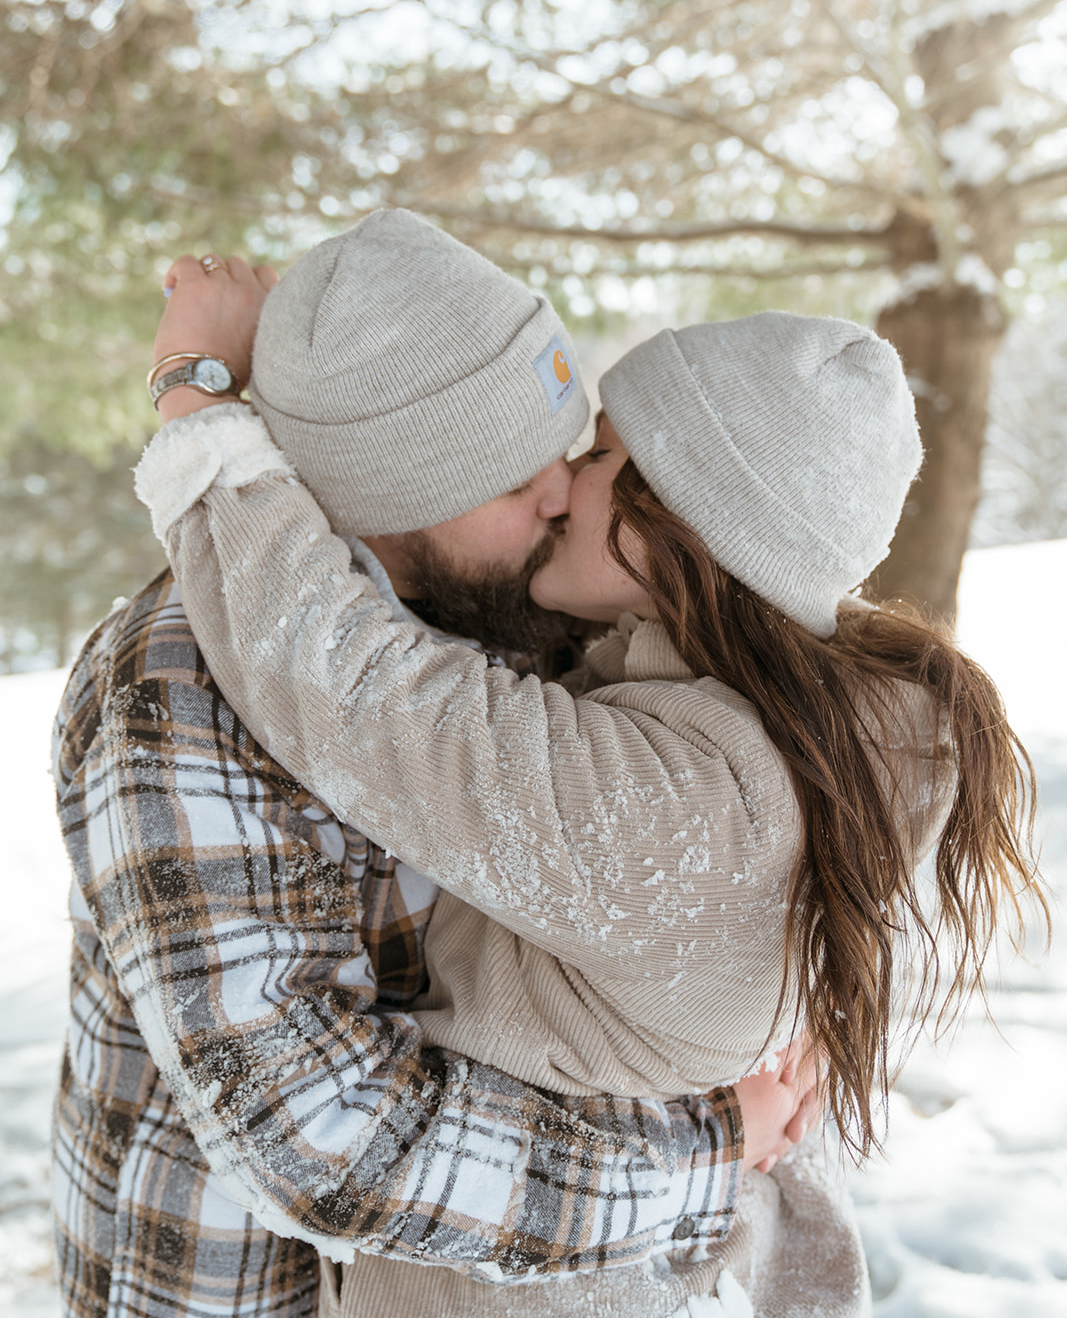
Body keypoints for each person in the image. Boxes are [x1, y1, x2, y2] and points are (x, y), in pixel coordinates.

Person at [133, 222, 1048, 1317]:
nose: (565, 489)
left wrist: (199, 403)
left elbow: (359, 689)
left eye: (597, 452)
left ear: (687, 531)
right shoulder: (787, 723)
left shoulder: (695, 805)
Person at [52, 211, 814, 1318]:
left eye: (565, 450)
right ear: (385, 493)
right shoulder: (174, 688)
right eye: (514, 479)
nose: (566, 497)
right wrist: (699, 1158)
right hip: (241, 1288)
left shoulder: (523, 606)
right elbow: (315, 1137)